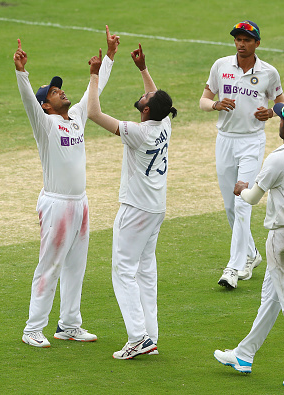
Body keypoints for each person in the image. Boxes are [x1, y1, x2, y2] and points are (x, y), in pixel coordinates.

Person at [13, 26, 120, 348]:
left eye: (59, 90)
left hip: (80, 203)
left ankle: (69, 324)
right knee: (50, 265)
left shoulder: (75, 117)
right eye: (53, 93)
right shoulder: (44, 123)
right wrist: (22, 73)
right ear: (45, 105)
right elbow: (28, 103)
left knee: (76, 266)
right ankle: (33, 328)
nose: (60, 92)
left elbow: (93, 94)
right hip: (57, 203)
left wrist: (108, 59)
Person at [214, 102, 284, 389]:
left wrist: (240, 189)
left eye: (280, 118)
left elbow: (252, 197)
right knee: (271, 299)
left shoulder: (278, 158)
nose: (276, 121)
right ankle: (244, 354)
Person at [87, 44, 177, 359]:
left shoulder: (138, 132)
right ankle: (149, 336)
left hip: (136, 210)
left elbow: (93, 113)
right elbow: (158, 99)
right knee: (145, 271)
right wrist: (143, 69)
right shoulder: (164, 123)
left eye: (146, 98)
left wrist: (95, 75)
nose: (144, 95)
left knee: (123, 270)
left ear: (147, 110)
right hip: (155, 209)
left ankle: (138, 338)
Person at [199, 20, 284, 289]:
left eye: (247, 39)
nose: (241, 43)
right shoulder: (221, 66)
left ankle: (234, 268)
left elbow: (283, 104)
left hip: (252, 142)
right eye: (238, 38)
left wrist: (270, 112)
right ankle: (252, 254)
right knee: (229, 206)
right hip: (224, 140)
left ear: (257, 43)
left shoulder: (269, 73)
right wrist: (215, 104)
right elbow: (202, 100)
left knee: (242, 203)